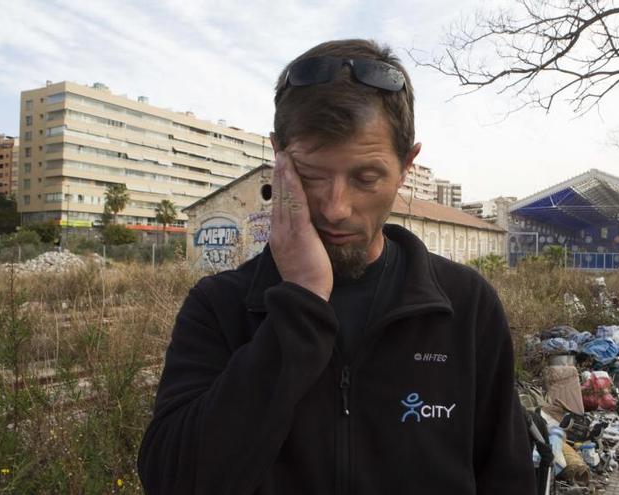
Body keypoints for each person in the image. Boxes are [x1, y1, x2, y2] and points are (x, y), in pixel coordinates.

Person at [137, 39, 535, 494]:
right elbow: (172, 481)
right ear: (279, 158)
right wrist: (301, 303)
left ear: (407, 165)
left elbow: (508, 478)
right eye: (311, 176)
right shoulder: (220, 307)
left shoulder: (464, 306)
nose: (335, 207)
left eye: (366, 178)